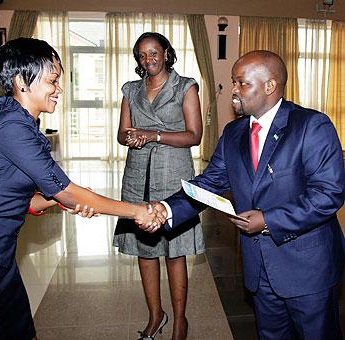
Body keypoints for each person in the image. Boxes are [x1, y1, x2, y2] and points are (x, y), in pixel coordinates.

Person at [0, 37, 157, 339]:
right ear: (22, 81)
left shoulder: (20, 124)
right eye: (53, 80)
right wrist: (137, 210)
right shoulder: (11, 128)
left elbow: (28, 202)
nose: (59, 89)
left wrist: (61, 201)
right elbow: (68, 192)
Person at [147, 50, 345, 340]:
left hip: (308, 270)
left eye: (242, 83)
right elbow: (210, 182)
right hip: (259, 269)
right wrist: (168, 208)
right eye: (233, 82)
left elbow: (329, 194)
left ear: (269, 86)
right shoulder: (234, 133)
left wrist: (269, 220)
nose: (234, 91)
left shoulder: (311, 126)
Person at [113, 32, 204, 340]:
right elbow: (121, 134)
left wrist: (152, 134)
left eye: (153, 53)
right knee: (145, 251)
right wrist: (132, 136)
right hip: (138, 177)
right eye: (141, 55)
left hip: (173, 176)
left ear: (166, 52)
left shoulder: (186, 86)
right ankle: (156, 316)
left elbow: (194, 136)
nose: (148, 59)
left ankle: (180, 320)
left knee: (174, 252)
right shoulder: (130, 90)